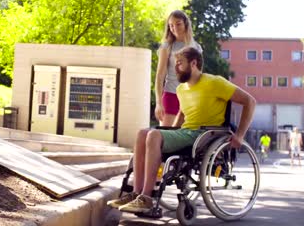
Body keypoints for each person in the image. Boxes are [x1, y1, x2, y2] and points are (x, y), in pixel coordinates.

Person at [107, 46, 256, 213]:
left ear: (193, 63)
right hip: (186, 133)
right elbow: (183, 113)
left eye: (179, 63)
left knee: (153, 135)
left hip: (204, 135)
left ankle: (147, 198)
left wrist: (240, 134)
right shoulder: (181, 89)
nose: (175, 67)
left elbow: (250, 102)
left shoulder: (214, 82)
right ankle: (136, 194)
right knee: (143, 133)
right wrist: (168, 133)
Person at [154, 10, 203, 126]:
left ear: (186, 24)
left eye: (178, 24)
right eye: (171, 25)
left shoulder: (196, 47)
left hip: (190, 97)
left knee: (182, 139)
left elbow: (199, 76)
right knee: (165, 137)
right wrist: (158, 103)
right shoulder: (167, 46)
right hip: (171, 95)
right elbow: (160, 76)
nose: (174, 28)